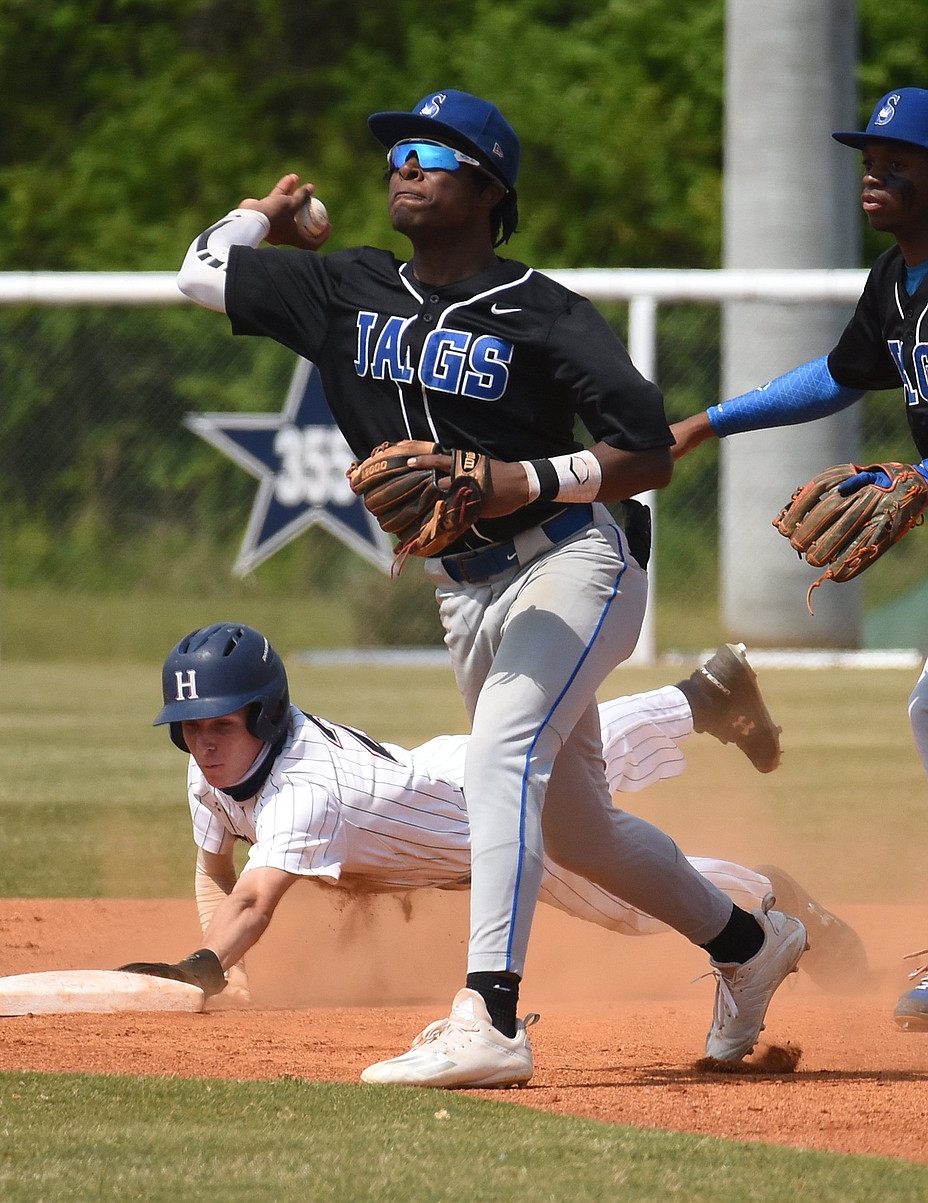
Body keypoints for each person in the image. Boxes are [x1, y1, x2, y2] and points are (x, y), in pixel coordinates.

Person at [175, 89, 806, 1086]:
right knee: (578, 830)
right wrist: (266, 212)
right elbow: (200, 271)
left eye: (432, 153)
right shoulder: (345, 288)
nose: (405, 166)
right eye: (397, 153)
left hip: (576, 559)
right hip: (463, 589)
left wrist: (525, 479)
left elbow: (646, 449)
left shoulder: (542, 312)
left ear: (488, 188)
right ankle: (747, 944)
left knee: (501, 759)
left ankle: (490, 1018)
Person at [122, 624, 864, 1085]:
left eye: (220, 723)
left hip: (487, 826)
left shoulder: (302, 788)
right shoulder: (210, 772)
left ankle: (761, 895)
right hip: (442, 776)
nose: (203, 742)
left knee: (631, 900)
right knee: (572, 750)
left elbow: (254, 900)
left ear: (264, 715)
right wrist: (226, 971)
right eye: (189, 727)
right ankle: (705, 695)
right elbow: (217, 874)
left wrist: (203, 968)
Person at [668, 86, 928, 1030]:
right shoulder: (896, 281)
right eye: (869, 156)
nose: (874, 171)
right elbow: (838, 374)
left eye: (899, 159)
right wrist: (711, 420)